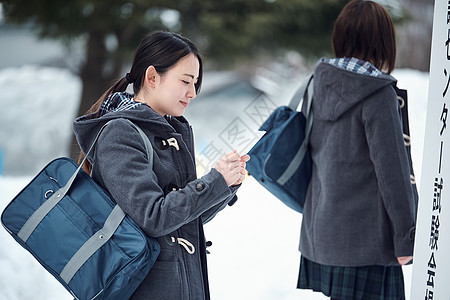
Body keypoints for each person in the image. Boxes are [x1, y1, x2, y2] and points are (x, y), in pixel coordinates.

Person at [73, 30, 250, 299]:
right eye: (186, 81)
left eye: (196, 83)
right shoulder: (120, 133)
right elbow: (153, 217)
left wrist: (226, 184)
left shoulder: (170, 132)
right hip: (147, 288)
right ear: (152, 77)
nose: (192, 92)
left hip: (181, 283)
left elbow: (185, 220)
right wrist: (215, 181)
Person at [297, 1, 418, 299]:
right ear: (383, 41)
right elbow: (394, 173)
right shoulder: (376, 93)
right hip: (367, 244)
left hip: (322, 233)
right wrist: (407, 237)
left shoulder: (317, 83)